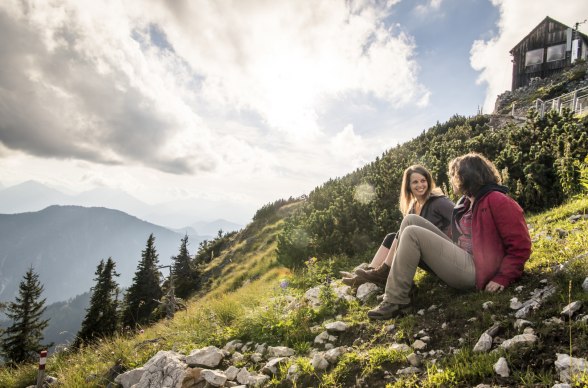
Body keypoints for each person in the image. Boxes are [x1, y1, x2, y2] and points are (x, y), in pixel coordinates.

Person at [367, 152, 532, 320]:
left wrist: (503, 277)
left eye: (454, 175)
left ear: (466, 177)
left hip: (476, 270)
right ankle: (402, 287)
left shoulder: (497, 200)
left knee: (412, 233)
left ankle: (396, 301)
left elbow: (521, 246)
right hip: (463, 257)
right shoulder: (467, 202)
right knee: (410, 221)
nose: (452, 179)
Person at [342, 164, 454, 287]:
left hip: (443, 258)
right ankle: (369, 274)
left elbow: (461, 220)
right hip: (425, 254)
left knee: (403, 233)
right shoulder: (413, 207)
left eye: (423, 181)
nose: (420, 185)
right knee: (391, 237)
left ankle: (383, 272)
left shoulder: (439, 201)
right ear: (408, 186)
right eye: (415, 182)